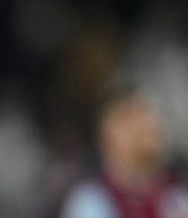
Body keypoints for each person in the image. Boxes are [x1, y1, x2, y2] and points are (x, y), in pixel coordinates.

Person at [59, 85, 188, 218]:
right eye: (127, 117)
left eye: (146, 113)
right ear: (105, 137)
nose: (142, 124)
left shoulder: (178, 188)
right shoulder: (91, 201)